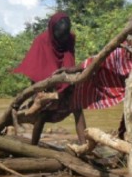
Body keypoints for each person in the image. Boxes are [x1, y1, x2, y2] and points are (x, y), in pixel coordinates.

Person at [12, 11, 87, 145]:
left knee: (77, 108)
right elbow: (35, 68)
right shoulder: (41, 41)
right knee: (43, 115)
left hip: (65, 83)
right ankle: (33, 146)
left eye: (65, 35)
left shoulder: (70, 39)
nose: (63, 39)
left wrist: (67, 84)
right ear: (53, 31)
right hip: (46, 86)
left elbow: (69, 61)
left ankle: (84, 145)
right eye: (60, 36)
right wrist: (38, 94)